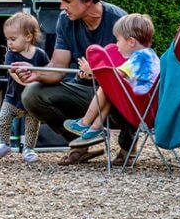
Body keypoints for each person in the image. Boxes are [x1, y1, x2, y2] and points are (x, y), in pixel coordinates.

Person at [10, 0, 135, 165]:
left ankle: (128, 146)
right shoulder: (65, 21)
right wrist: (36, 73)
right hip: (83, 92)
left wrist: (99, 74)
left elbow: (134, 77)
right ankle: (79, 145)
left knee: (125, 93)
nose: (62, 7)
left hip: (115, 93)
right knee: (31, 95)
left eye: (67, 1)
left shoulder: (120, 21)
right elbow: (58, 65)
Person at [65, 13, 160, 147]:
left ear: (131, 41)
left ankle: (84, 123)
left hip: (139, 110)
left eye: (118, 40)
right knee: (111, 91)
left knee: (107, 87)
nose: (117, 44)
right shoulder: (150, 55)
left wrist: (91, 70)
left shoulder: (139, 58)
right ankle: (94, 129)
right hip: (150, 109)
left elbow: (114, 77)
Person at [0, 13, 49, 162]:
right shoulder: (10, 55)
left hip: (33, 99)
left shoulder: (40, 55)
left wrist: (41, 80)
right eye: (7, 39)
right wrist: (30, 82)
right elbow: (14, 74)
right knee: (3, 119)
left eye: (13, 39)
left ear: (28, 37)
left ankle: (29, 149)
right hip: (13, 97)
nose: (9, 43)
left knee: (32, 126)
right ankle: (4, 144)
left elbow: (47, 71)